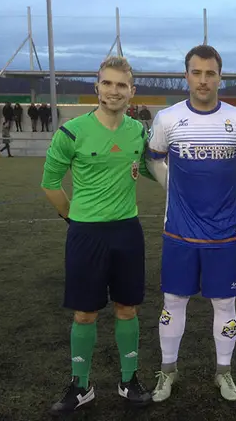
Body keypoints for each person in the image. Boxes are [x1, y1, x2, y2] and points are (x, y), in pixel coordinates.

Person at [41, 56, 155, 415]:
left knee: (127, 308)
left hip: (127, 231)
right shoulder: (72, 131)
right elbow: (50, 183)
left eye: (122, 85)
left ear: (131, 92)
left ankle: (128, 380)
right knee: (85, 313)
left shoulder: (138, 132)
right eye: (108, 83)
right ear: (97, 87)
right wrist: (73, 219)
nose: (114, 91)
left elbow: (156, 169)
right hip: (86, 234)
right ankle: (80, 385)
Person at [145, 45, 236, 403]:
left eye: (210, 73)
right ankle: (168, 372)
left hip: (224, 232)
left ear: (221, 76)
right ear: (186, 75)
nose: (203, 80)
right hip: (179, 230)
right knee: (173, 301)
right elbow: (154, 159)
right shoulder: (168, 119)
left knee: (224, 304)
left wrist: (229, 188)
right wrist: (173, 188)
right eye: (196, 72)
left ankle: (224, 373)